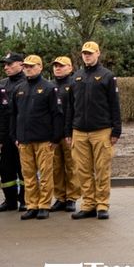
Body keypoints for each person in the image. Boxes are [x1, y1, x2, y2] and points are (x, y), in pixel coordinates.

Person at [66, 41, 121, 221]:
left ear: (98, 54)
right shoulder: (76, 77)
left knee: (102, 169)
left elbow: (114, 104)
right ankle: (88, 204)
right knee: (83, 170)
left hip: (101, 130)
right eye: (84, 53)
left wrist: (116, 130)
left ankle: (102, 205)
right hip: (79, 131)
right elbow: (70, 107)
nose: (87, 56)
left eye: (90, 53)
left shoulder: (107, 76)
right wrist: (68, 131)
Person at [12, 55, 63, 220]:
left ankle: (44, 205)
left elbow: (57, 114)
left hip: (44, 140)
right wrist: (15, 136)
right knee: (28, 175)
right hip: (24, 140)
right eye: (26, 66)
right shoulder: (19, 88)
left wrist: (55, 138)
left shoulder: (49, 88)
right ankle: (32, 205)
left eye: (32, 66)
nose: (28, 69)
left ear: (40, 67)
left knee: (45, 174)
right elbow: (14, 114)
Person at [48, 56, 75, 212]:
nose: (58, 68)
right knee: (56, 167)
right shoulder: (49, 86)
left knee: (71, 166)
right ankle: (60, 197)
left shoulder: (73, 84)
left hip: (69, 133)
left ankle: (72, 197)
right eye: (55, 66)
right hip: (53, 134)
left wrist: (70, 131)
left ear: (70, 68)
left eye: (61, 66)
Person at [0, 51, 25, 211]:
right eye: (5, 65)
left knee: (24, 168)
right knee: (6, 169)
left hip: (22, 133)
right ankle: (10, 201)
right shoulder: (2, 84)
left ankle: (25, 200)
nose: (6, 67)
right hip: (5, 134)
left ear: (21, 64)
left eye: (10, 64)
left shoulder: (27, 83)